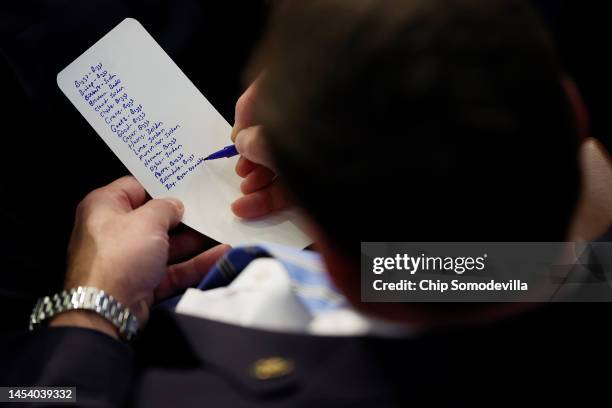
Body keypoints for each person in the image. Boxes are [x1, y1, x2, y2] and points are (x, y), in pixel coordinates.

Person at [3, 0, 612, 406]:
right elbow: (509, 271)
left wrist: (89, 311)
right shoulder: (580, 271)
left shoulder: (182, 393)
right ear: (576, 111)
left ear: (332, 266)